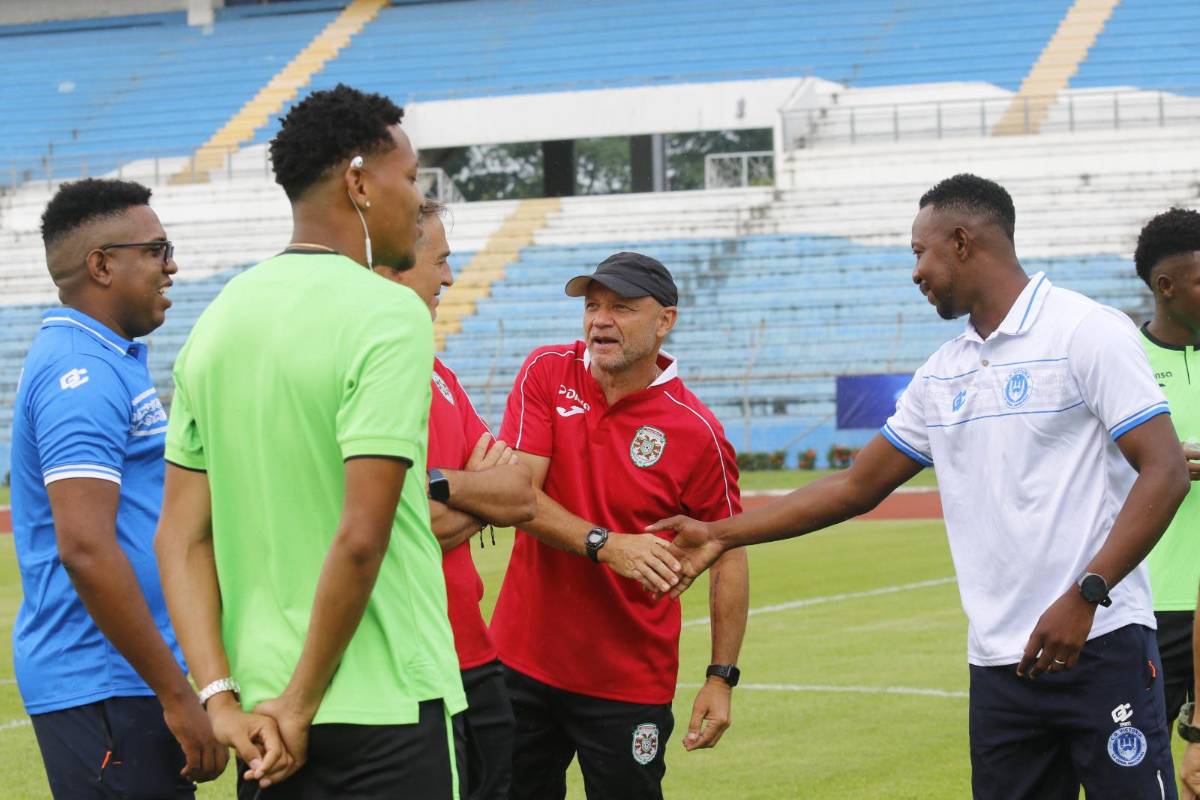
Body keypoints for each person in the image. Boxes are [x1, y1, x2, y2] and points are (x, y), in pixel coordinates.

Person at [652, 174, 1190, 800]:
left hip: (1101, 643)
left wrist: (1086, 595)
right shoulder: (945, 371)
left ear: (961, 241)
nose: (914, 272)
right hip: (1001, 665)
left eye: (918, 251)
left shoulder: (1086, 331)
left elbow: (1165, 471)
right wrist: (718, 532)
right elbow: (856, 486)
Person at [154, 84, 467, 799]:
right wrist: (301, 700)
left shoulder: (217, 320)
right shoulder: (390, 315)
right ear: (358, 181)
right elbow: (362, 534)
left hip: (260, 723)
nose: (419, 203)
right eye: (411, 177)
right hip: (386, 702)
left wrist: (222, 701)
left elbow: (178, 538)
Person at [490, 252, 750, 800]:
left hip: (628, 681)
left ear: (665, 321)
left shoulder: (697, 431)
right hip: (520, 664)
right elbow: (519, 497)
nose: (599, 321)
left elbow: (728, 551)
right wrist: (605, 545)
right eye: (592, 306)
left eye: (621, 308)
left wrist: (720, 677)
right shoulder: (546, 370)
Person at [10, 178, 226, 798]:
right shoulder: (81, 375)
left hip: (120, 680)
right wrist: (176, 693)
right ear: (102, 265)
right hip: (103, 682)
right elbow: (85, 547)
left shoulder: (107, 359)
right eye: (158, 249)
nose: (173, 265)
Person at [371, 197, 534, 799]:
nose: (449, 277)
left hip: (475, 655)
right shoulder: (369, 374)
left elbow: (518, 493)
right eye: (439, 260)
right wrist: (472, 493)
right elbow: (393, 523)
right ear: (390, 266)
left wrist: (437, 486)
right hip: (411, 668)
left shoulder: (437, 370)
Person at [1138, 210, 1200, 800]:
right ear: (1167, 286)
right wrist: (1159, 460)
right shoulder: (1119, 360)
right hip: (1143, 606)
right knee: (1137, 775)